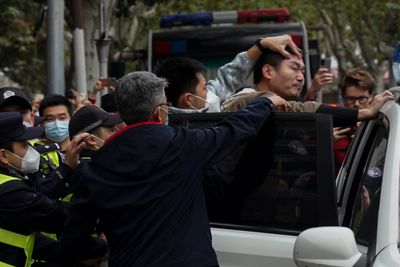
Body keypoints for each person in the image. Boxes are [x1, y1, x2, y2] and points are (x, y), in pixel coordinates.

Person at [61, 71, 289, 266]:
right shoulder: (184, 145)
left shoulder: (95, 169)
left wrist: (101, 249)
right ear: (159, 111)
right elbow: (233, 129)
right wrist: (265, 102)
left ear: (120, 113)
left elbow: (73, 238)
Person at [0, 112, 107, 267]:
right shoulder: (9, 190)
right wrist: (106, 214)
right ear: (3, 156)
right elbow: (55, 214)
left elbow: (35, 243)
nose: (31, 150)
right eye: (24, 145)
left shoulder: (10, 180)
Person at [221, 47, 394, 126]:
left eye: (303, 71)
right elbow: (297, 109)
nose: (301, 77)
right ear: (268, 71)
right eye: (294, 68)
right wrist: (365, 113)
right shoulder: (243, 100)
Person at [154, 34, 301, 112]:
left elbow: (229, 77)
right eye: (205, 88)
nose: (300, 77)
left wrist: (262, 45)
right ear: (189, 100)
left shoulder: (164, 123)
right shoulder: (212, 133)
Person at [333, 68, 375, 173]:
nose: (356, 104)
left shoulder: (381, 127)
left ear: (371, 97)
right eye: (351, 99)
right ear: (343, 99)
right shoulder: (335, 132)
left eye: (362, 98)